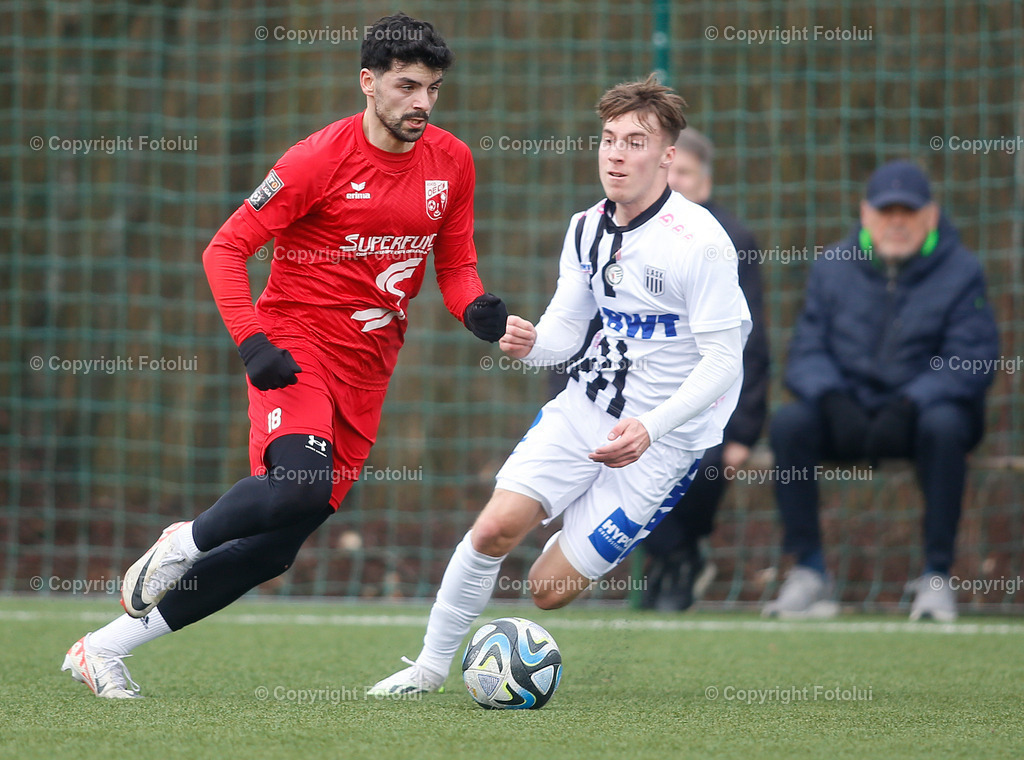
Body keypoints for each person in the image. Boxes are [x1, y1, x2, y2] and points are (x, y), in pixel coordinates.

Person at [60, 13, 508, 698]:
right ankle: (182, 542)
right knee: (297, 481)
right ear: (368, 82)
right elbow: (224, 250)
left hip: (369, 365)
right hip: (294, 346)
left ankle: (103, 648)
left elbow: (457, 264)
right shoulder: (315, 161)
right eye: (407, 86)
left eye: (434, 89)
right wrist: (252, 342)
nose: (422, 103)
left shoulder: (452, 162)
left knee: (278, 544)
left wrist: (475, 308)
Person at [369, 75, 751, 697]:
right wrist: (525, 342)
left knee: (547, 592)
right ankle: (428, 669)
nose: (616, 154)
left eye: (635, 141)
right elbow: (565, 334)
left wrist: (651, 428)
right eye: (608, 140)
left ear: (667, 156)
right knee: (493, 530)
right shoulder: (585, 229)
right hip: (586, 407)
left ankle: (584, 515)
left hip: (664, 443)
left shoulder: (702, 243)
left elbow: (723, 363)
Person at [763, 161, 999, 621]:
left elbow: (971, 359)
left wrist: (911, 402)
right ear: (865, 214)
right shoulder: (832, 266)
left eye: (907, 212)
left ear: (930, 216)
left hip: (921, 415)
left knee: (947, 424)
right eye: (885, 210)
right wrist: (833, 400)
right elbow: (806, 350)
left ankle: (936, 574)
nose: (896, 221)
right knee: (790, 424)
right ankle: (809, 571)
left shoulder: (963, 270)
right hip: (848, 413)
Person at [640, 128, 769, 611]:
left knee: (705, 462)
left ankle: (677, 558)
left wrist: (744, 430)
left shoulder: (732, 240)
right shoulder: (623, 232)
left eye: (685, 173)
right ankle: (678, 556)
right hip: (636, 395)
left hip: (711, 402)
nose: (674, 181)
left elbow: (750, 342)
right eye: (667, 171)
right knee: (606, 462)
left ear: (705, 181)